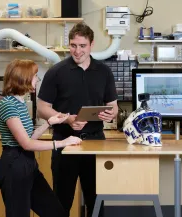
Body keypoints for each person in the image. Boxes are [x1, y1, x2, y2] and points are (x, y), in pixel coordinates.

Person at [37, 22, 118, 217]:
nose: (77, 51)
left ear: (91, 45)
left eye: (82, 46)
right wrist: (67, 119)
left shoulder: (104, 72)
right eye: (73, 45)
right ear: (69, 44)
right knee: (61, 202)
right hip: (64, 143)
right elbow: (42, 108)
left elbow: (113, 105)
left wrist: (112, 113)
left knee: (96, 201)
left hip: (95, 142)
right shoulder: (56, 72)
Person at [0, 59, 82, 217]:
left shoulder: (20, 103)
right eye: (35, 76)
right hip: (14, 166)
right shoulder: (8, 104)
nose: (37, 79)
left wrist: (49, 122)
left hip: (28, 164)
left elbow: (29, 138)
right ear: (25, 78)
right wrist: (63, 143)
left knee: (56, 213)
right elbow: (26, 144)